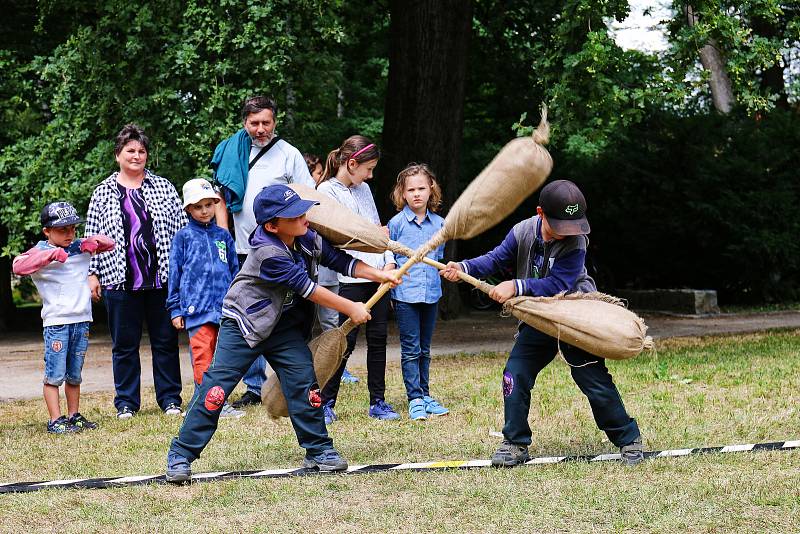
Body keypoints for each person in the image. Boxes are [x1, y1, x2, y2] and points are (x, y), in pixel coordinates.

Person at [165, 184, 402, 482]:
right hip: (244, 326)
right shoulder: (268, 252)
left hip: (283, 328)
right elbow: (309, 289)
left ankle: (318, 449)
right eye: (294, 214)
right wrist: (351, 307)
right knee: (215, 392)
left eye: (302, 209)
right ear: (273, 225)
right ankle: (181, 454)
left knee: (306, 385)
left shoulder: (306, 237)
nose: (304, 216)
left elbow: (341, 261)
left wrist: (380, 274)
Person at [440, 179, 644, 466]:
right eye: (559, 226)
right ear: (540, 213)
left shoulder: (577, 242)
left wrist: (516, 286)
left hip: (574, 316)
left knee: (591, 378)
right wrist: (464, 268)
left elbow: (558, 283)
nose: (566, 234)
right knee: (515, 374)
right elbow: (496, 259)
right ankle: (515, 443)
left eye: (572, 226)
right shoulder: (523, 231)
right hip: (539, 317)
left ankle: (628, 439)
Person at [211, 95, 316, 409]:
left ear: (274, 122)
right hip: (245, 249)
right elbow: (222, 197)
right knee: (248, 319)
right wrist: (224, 237)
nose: (259, 129)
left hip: (283, 250)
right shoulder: (232, 151)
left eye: (265, 123)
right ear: (245, 122)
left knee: (288, 317)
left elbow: (305, 195)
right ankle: (254, 387)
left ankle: (293, 382)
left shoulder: (288, 154)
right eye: (254, 123)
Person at [85, 124, 187, 419]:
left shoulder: (163, 187)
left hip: (161, 279)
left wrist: (183, 273)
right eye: (130, 151)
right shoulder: (103, 192)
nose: (136, 156)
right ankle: (127, 403)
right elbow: (92, 239)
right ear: (118, 155)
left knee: (166, 342)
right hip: (119, 280)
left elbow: (180, 232)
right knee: (124, 346)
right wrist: (92, 274)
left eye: (141, 151)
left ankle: (170, 399)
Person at [316, 135, 399, 423]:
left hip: (380, 274)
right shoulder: (326, 191)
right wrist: (375, 243)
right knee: (345, 340)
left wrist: (389, 263)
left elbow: (378, 233)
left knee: (378, 340)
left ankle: (378, 401)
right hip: (352, 278)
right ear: (352, 163)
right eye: (368, 168)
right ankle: (326, 401)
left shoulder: (363, 190)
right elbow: (340, 239)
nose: (371, 175)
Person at [13, 202, 114, 433]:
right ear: (46, 231)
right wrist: (50, 256)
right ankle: (55, 420)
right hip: (57, 322)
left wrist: (93, 241)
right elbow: (18, 266)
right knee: (55, 374)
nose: (69, 234)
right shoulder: (40, 251)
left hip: (82, 320)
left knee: (74, 374)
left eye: (72, 228)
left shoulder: (80, 247)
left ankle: (73, 415)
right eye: (62, 230)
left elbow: (110, 244)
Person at [166, 178, 243, 418]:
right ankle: (210, 403)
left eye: (208, 205)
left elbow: (234, 271)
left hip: (224, 308)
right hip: (195, 309)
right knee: (202, 356)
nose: (204, 211)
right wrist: (175, 309)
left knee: (222, 358)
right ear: (189, 209)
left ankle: (215, 400)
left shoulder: (224, 236)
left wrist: (238, 301)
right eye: (198, 207)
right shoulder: (183, 238)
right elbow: (174, 273)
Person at [388, 164, 449, 420]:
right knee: (411, 349)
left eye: (421, 188)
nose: (416, 194)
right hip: (406, 297)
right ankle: (414, 398)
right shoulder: (396, 224)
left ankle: (425, 395)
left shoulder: (441, 224)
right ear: (402, 193)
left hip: (431, 294)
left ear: (431, 189)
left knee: (425, 348)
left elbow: (440, 257)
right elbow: (389, 259)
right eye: (410, 189)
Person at [305, 152, 359, 385]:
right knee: (306, 324)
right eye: (316, 173)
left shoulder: (330, 197)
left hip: (331, 273)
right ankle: (306, 368)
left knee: (330, 322)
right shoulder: (315, 200)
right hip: (312, 275)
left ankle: (335, 366)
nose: (319, 176)